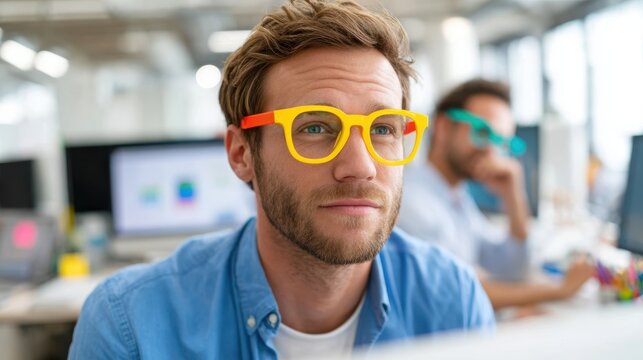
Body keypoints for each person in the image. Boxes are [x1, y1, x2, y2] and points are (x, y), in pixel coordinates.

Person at [68, 1, 494, 359]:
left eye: (383, 129)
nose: (360, 166)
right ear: (241, 154)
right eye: (314, 127)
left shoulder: (452, 302)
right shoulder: (131, 326)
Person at [398, 79, 594, 310]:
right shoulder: (413, 201)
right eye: (482, 132)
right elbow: (456, 294)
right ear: (442, 127)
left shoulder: (455, 196)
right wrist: (559, 290)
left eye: (500, 141)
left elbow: (512, 270)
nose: (491, 150)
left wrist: (513, 195)